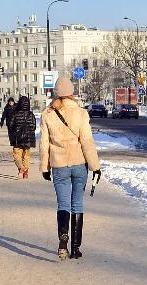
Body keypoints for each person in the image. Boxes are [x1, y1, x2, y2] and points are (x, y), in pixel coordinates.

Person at [40, 77, 101, 261]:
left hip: (59, 166)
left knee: (63, 205)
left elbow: (44, 144)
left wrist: (44, 167)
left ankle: (63, 237)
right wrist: (95, 167)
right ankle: (75, 249)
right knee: (77, 205)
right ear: (72, 93)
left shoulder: (48, 114)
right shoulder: (81, 114)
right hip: (79, 165)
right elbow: (87, 142)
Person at [7, 95, 37, 179]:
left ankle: (21, 168)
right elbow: (34, 126)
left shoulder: (15, 114)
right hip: (28, 138)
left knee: (17, 155)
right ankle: (26, 171)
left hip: (17, 138)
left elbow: (10, 125)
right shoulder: (31, 114)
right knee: (26, 155)